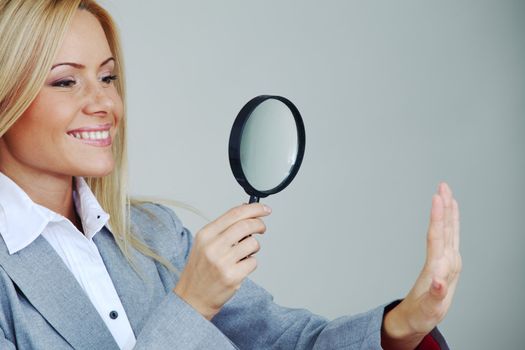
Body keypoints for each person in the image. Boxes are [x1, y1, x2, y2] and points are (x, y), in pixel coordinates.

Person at [0, 1, 462, 349]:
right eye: (65, 81)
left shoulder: (154, 233)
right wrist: (191, 305)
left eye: (108, 77)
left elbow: (289, 343)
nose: (103, 104)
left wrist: (404, 324)